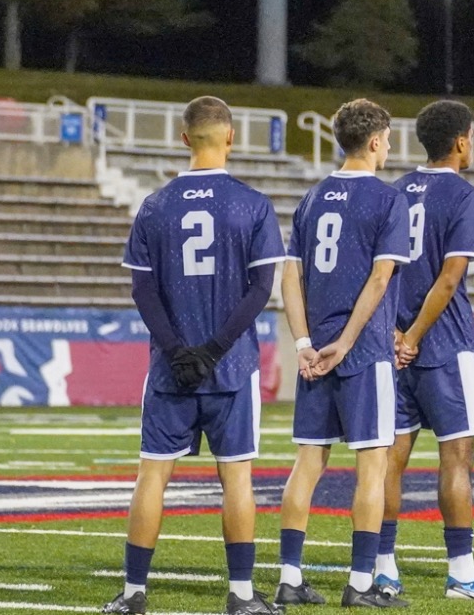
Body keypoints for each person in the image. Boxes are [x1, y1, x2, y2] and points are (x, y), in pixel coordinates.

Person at [104, 97, 287, 615]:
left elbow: (143, 291)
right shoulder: (252, 204)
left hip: (169, 372)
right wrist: (212, 351)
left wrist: (179, 352)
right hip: (231, 368)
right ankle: (243, 596)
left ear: (184, 139)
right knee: (237, 480)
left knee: (152, 476)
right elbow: (260, 290)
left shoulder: (155, 205)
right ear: (231, 136)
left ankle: (135, 593)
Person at [377, 99, 474, 601]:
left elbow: (381, 274)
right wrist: (415, 336)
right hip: (442, 344)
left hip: (392, 346)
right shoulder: (461, 194)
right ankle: (462, 575)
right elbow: (449, 277)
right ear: (461, 140)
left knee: (389, 461)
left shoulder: (393, 192)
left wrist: (396, 336)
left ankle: (383, 570)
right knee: (457, 459)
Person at [274, 99, 410, 609]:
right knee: (372, 466)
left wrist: (305, 343)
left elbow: (291, 275)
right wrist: (348, 342)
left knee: (308, 462)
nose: (390, 147)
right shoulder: (386, 198)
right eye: (389, 139)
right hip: (362, 351)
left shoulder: (312, 198)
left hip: (315, 354)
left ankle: (290, 577)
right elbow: (380, 278)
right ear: (374, 140)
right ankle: (359, 584)